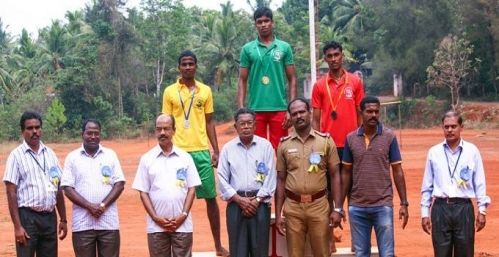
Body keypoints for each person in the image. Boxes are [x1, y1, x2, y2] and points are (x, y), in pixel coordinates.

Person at [162, 50, 228, 256]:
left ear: (196, 66)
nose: (188, 67)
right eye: (184, 64)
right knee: (179, 200)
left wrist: (215, 149)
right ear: (179, 67)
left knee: (211, 199)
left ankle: (218, 245)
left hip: (200, 152)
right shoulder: (170, 91)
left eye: (191, 64)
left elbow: (209, 121)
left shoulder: (205, 91)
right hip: (179, 153)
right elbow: (166, 122)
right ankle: (180, 249)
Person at [311, 40, 365, 253]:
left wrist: (361, 139)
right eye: (329, 56)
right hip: (328, 146)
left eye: (337, 55)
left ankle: (356, 243)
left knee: (354, 194)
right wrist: (316, 142)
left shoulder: (355, 82)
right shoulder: (319, 85)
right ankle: (330, 242)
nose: (333, 59)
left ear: (343, 55)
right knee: (328, 195)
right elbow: (316, 118)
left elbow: (361, 112)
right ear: (325, 59)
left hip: (351, 144)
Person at [339, 95, 409, 257]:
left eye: (377, 112)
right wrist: (339, 206)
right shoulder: (350, 139)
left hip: (383, 206)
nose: (373, 115)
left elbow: (397, 170)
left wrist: (404, 203)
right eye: (369, 111)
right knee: (361, 253)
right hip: (357, 208)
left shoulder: (389, 137)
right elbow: (346, 173)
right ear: (361, 112)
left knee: (387, 254)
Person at [275, 98, 342, 257]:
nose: (299, 116)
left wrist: (338, 208)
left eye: (302, 112)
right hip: (293, 208)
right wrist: (278, 214)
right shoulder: (284, 144)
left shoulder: (325, 141)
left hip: (319, 206)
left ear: (310, 113)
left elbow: (335, 175)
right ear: (290, 117)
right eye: (294, 113)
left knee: (322, 253)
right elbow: (280, 180)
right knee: (295, 254)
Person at [420, 111, 490, 257]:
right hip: (440, 208)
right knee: (441, 253)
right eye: (446, 127)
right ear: (442, 128)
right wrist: (424, 213)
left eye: (453, 126)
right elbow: (427, 186)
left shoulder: (472, 151)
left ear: (461, 127)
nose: (450, 130)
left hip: (464, 208)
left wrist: (482, 210)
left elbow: (480, 182)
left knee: (465, 252)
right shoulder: (434, 152)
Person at [132, 114, 201, 257]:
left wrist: (183, 215)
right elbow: (143, 192)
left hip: (182, 225)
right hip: (156, 227)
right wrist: (156, 218)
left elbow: (191, 189)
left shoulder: (185, 158)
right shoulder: (147, 159)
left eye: (166, 129)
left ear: (174, 130)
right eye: (159, 129)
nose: (162, 133)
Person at [3, 111, 68, 257]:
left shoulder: (50, 154)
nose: (34, 132)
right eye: (30, 128)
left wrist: (63, 219)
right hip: (28, 218)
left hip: (50, 217)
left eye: (37, 127)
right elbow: (11, 192)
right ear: (22, 131)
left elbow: (57, 188)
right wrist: (18, 227)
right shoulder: (16, 156)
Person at [61, 119, 125, 257]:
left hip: (108, 224)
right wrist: (89, 206)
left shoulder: (110, 155)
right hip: (83, 225)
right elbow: (67, 188)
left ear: (100, 135)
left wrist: (102, 205)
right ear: (82, 134)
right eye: (89, 133)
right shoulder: (72, 158)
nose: (93, 137)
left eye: (96, 133)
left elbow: (119, 184)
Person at [217, 108, 276, 257]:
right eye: (242, 124)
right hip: (236, 206)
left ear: (255, 125)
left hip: (260, 205)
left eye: (250, 123)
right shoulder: (228, 149)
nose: (246, 127)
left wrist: (256, 200)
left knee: (260, 251)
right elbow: (222, 178)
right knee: (238, 251)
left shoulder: (265, 146)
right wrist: (239, 200)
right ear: (236, 126)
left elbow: (271, 176)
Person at [237, 6, 297, 151]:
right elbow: (242, 80)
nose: (263, 24)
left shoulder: (284, 47)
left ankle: (279, 175)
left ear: (272, 23)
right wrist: (241, 109)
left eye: (266, 21)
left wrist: (291, 108)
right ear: (255, 25)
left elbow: (292, 78)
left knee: (281, 150)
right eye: (259, 22)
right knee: (257, 150)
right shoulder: (247, 49)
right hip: (255, 109)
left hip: (279, 108)